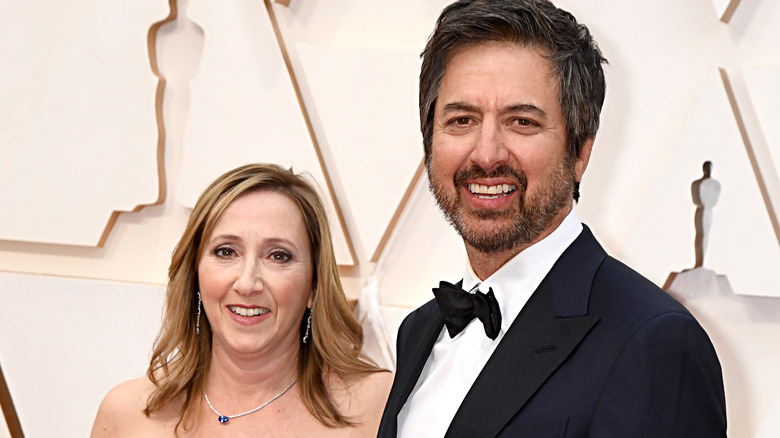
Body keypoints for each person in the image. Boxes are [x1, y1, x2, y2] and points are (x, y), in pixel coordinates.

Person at [378, 1, 727, 437]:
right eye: (461, 120)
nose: (486, 154)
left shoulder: (654, 341)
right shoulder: (419, 330)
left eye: (521, 122)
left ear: (580, 151)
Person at [91, 163, 392, 437]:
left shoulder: (379, 407)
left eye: (278, 256)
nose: (247, 284)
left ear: (314, 286)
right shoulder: (125, 415)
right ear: (195, 274)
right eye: (226, 252)